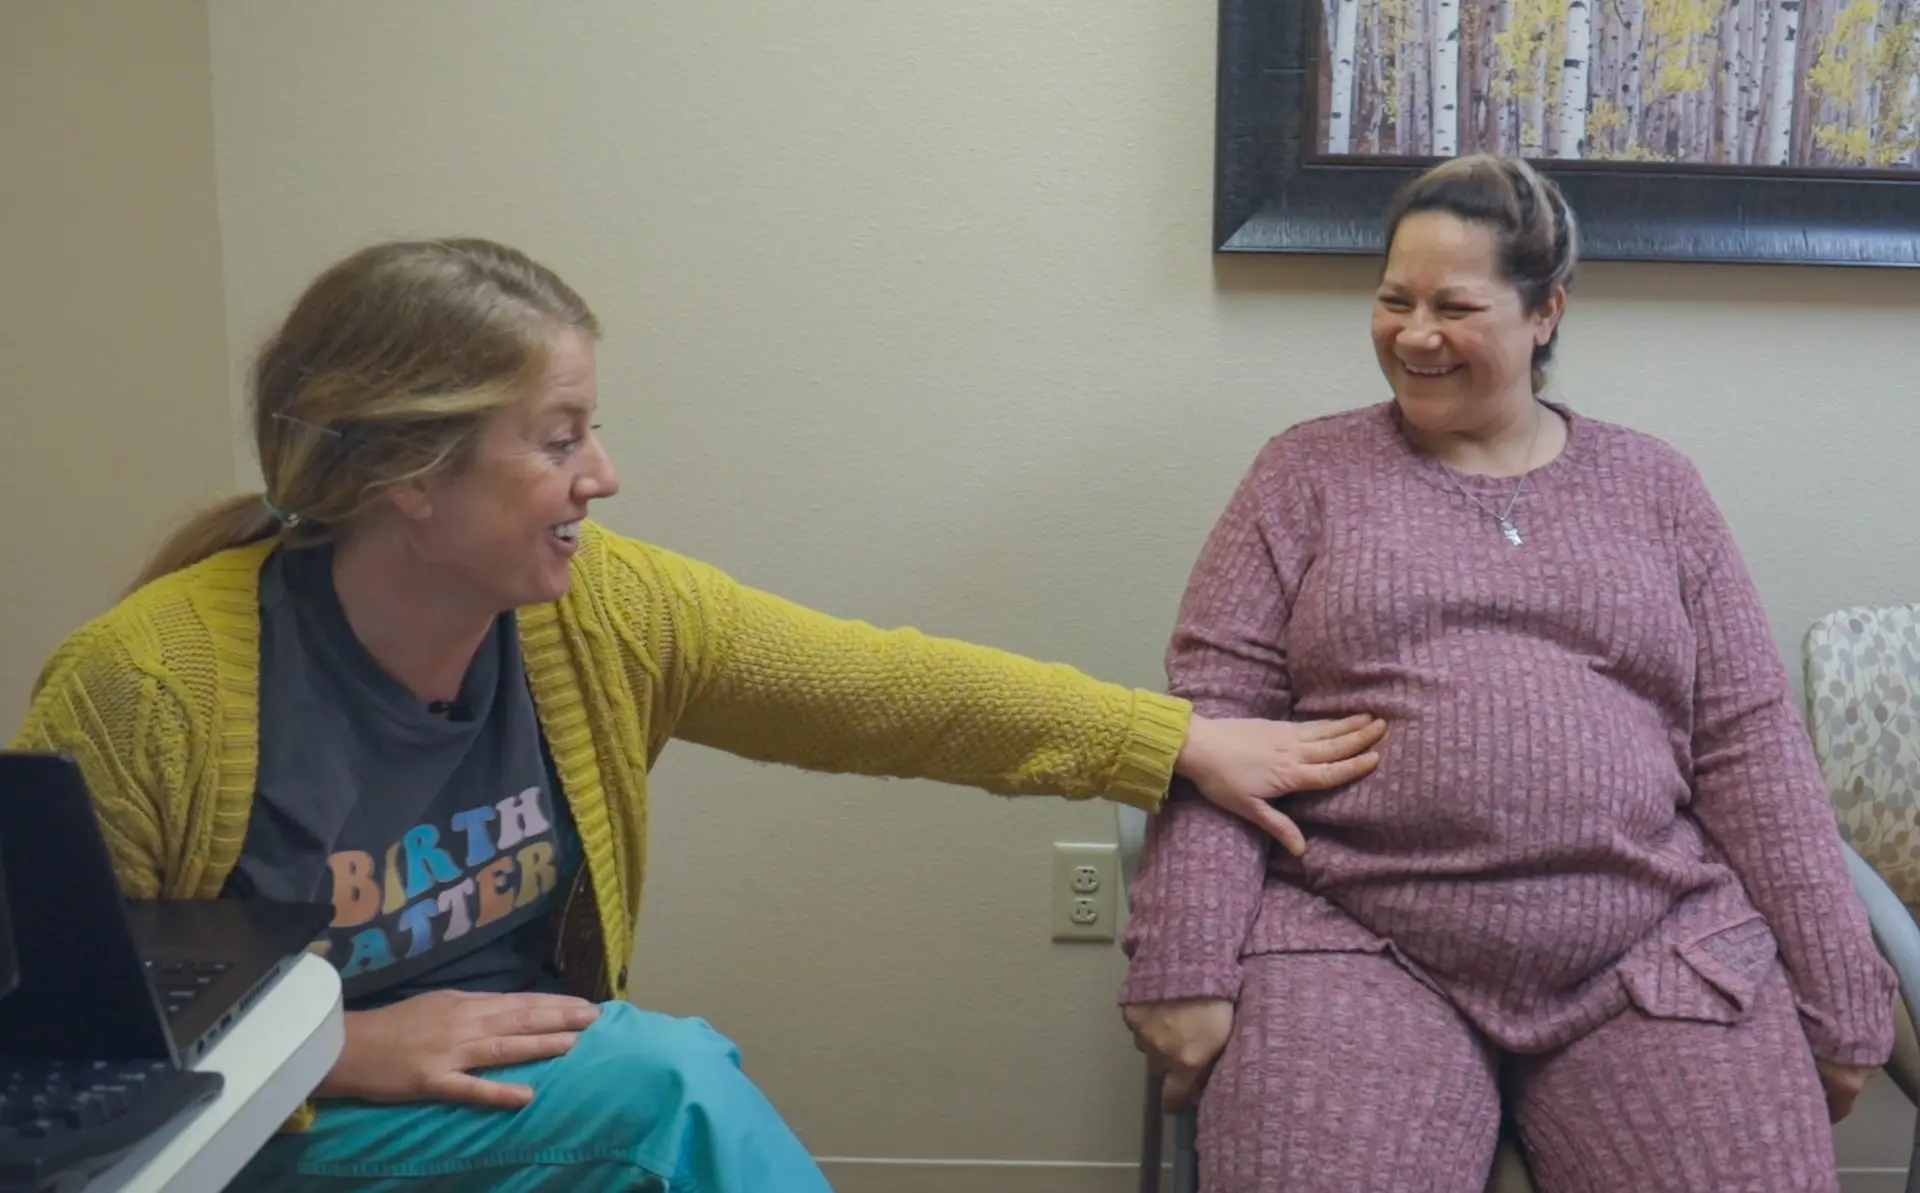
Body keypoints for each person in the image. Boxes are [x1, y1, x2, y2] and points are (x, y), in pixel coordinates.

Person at [8, 236, 1387, 1192]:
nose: (602, 473)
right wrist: (339, 1049)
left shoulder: (597, 611)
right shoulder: (154, 684)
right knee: (666, 1087)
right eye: (558, 439)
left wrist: (1171, 741)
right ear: (410, 480)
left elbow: (878, 690)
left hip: (531, 1102)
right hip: (285, 1137)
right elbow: (50, 1046)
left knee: (663, 1075)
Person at [1118, 154, 1896, 1193]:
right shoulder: (1304, 475)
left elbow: (1751, 744)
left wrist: (1848, 991)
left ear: (1545, 313)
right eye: (1394, 299)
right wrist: (1184, 956)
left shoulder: (1656, 487)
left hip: (1652, 947)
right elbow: (1215, 722)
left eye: (1455, 304)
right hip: (1355, 940)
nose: (1415, 333)